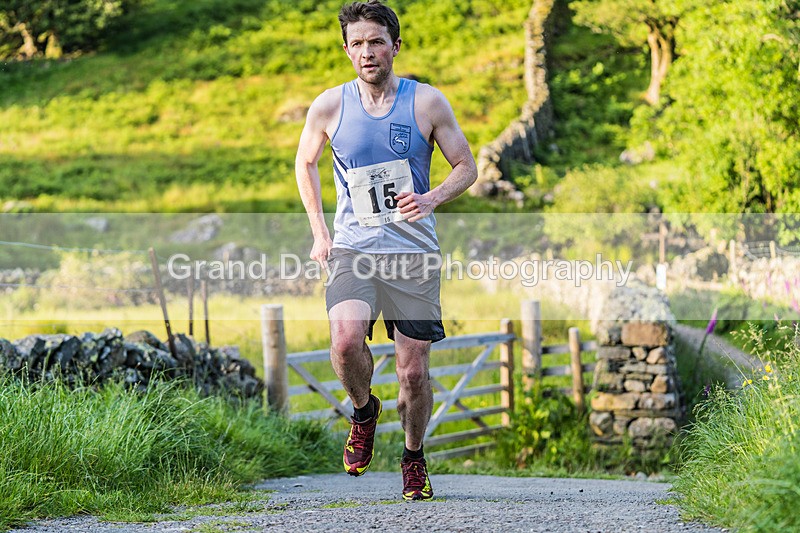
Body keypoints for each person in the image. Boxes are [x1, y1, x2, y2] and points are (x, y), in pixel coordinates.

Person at [295, 0, 477, 501]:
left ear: (395, 45)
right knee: (346, 342)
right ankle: (364, 411)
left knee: (413, 372)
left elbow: (466, 165)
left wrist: (432, 197)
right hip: (353, 249)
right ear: (347, 50)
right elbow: (304, 163)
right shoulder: (330, 106)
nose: (366, 52)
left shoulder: (427, 103)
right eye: (356, 43)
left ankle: (413, 455)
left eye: (376, 41)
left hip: (413, 254)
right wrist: (319, 233)